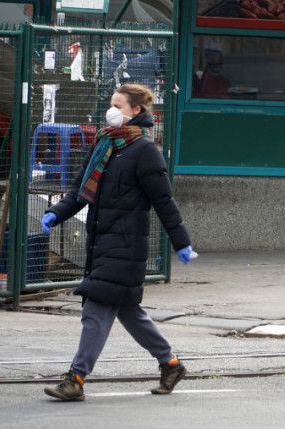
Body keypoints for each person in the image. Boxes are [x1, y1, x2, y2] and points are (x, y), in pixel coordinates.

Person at [41, 83, 195, 402]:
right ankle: (171, 364)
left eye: (118, 105)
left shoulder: (145, 150)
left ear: (136, 111)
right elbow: (80, 190)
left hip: (125, 246)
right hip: (101, 241)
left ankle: (76, 379)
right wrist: (56, 213)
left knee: (96, 306)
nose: (111, 111)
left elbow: (164, 201)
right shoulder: (104, 143)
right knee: (127, 310)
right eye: (110, 105)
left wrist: (181, 242)